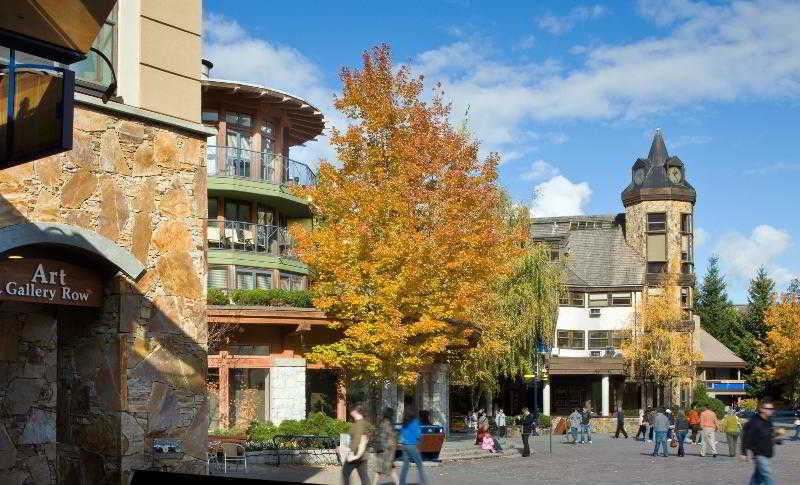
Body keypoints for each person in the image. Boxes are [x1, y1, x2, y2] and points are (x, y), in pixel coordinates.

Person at [741, 401, 781, 485]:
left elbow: (768, 435)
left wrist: (777, 437)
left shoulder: (768, 421)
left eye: (772, 409)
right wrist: (743, 452)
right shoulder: (754, 422)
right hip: (759, 454)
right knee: (767, 474)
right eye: (768, 408)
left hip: (766, 453)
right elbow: (746, 437)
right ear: (762, 409)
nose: (770, 410)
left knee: (757, 478)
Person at [342, 404, 370, 485]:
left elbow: (358, 439)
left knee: (345, 473)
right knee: (364, 477)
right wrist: (343, 445)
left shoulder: (359, 424)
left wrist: (351, 452)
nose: (350, 412)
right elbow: (350, 436)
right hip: (361, 455)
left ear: (355, 411)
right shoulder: (359, 423)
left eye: (351, 410)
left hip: (355, 454)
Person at [399, 408, 428, 485]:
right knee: (419, 465)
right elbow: (418, 434)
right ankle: (423, 483)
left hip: (404, 446)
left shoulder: (404, 423)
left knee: (405, 466)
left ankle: (401, 483)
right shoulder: (414, 422)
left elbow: (401, 435)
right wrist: (420, 441)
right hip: (412, 446)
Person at [373, 407, 399, 485]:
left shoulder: (383, 423)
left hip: (383, 452)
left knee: (379, 470)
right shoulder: (389, 424)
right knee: (390, 470)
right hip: (387, 452)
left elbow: (382, 438)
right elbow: (392, 440)